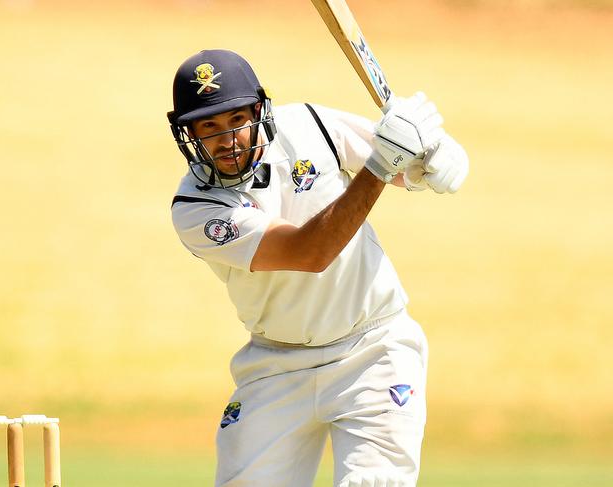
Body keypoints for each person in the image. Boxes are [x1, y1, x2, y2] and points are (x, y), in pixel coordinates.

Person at [167, 49, 468, 487]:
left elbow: (405, 161)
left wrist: (435, 156)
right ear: (188, 134)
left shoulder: (308, 125)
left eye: (236, 120)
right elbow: (310, 252)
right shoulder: (196, 209)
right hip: (276, 365)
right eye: (208, 126)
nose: (227, 139)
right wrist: (385, 163)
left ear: (259, 110)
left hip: (373, 349)